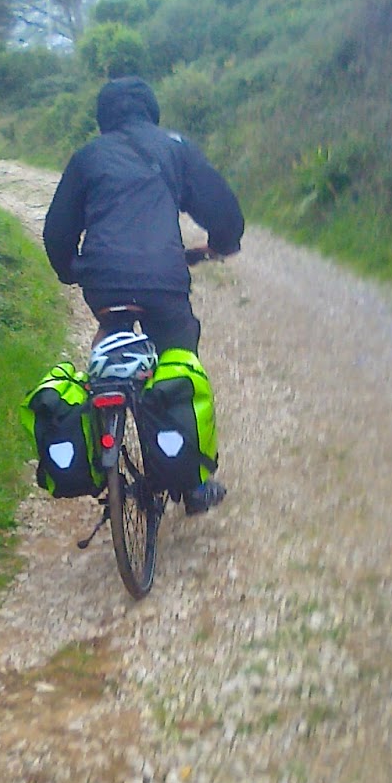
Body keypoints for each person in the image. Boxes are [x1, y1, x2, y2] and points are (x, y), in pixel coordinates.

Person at [43, 75, 245, 514]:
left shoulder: (88, 157)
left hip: (104, 282)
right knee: (177, 361)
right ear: (151, 111)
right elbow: (220, 206)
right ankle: (192, 485)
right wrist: (223, 243)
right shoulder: (174, 147)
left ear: (103, 117)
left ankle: (102, 450)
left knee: (108, 348)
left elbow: (57, 231)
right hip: (162, 279)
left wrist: (71, 271)